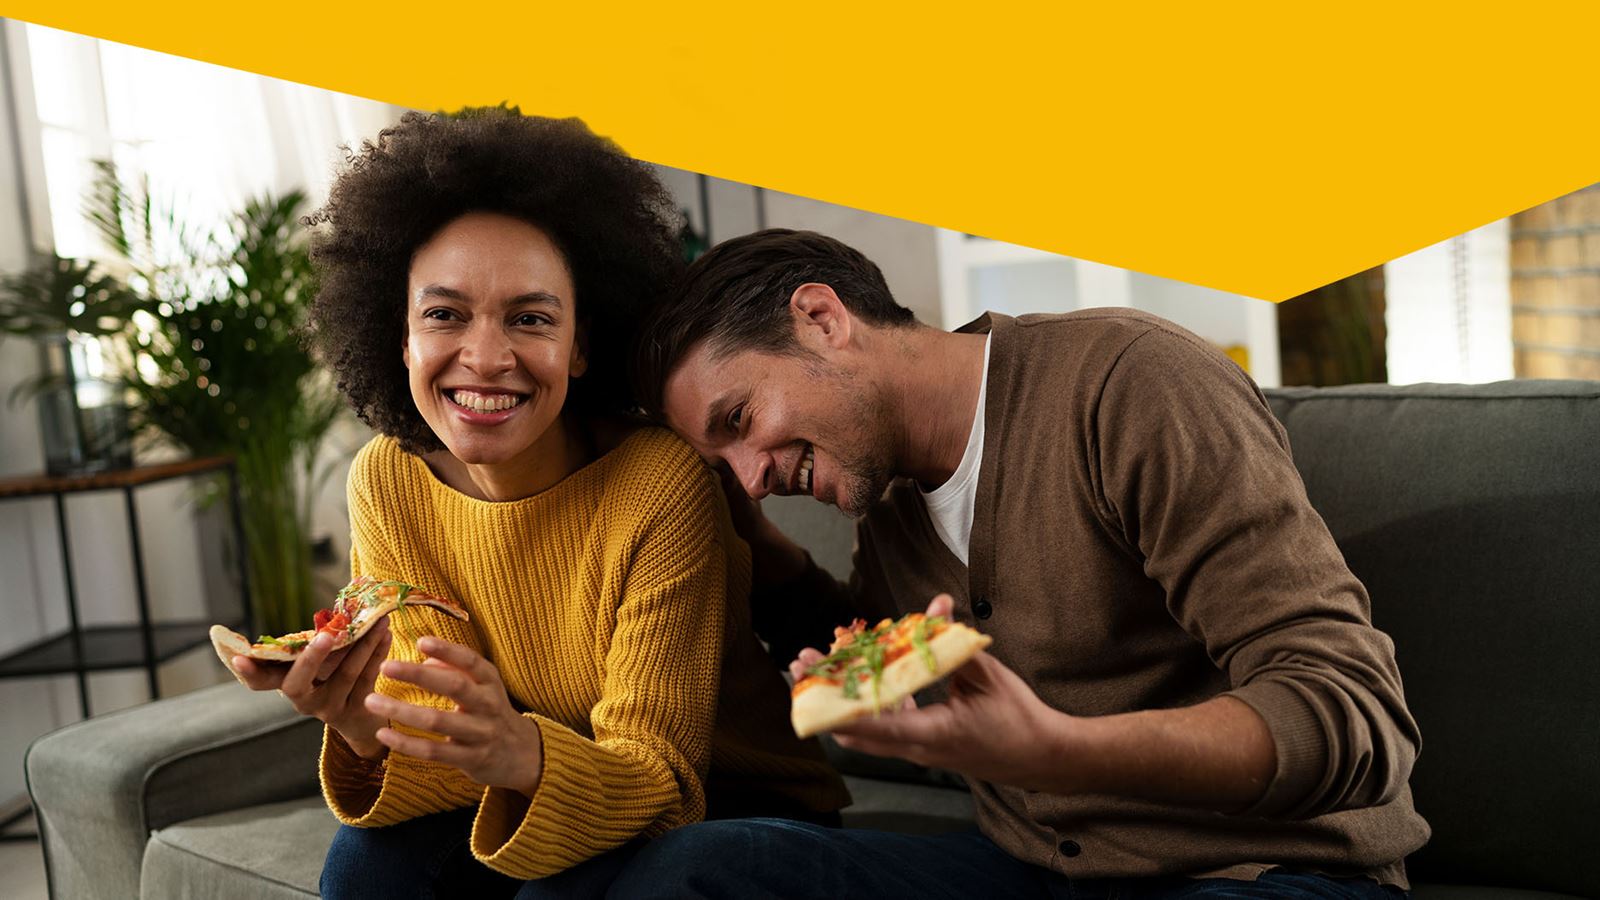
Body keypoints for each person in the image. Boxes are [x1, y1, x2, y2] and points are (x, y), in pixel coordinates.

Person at [626, 228, 1430, 898]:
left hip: (1267, 870)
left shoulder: (1128, 385)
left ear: (821, 318)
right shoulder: (889, 493)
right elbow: (883, 653)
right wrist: (756, 551)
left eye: (739, 419)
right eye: (721, 463)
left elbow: (1353, 712)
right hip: (1036, 871)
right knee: (697, 872)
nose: (753, 480)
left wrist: (1056, 750)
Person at [228, 113, 848, 897]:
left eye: (530, 318)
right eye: (444, 314)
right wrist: (361, 728)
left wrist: (518, 752)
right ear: (402, 337)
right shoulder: (386, 482)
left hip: (724, 806)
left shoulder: (658, 484)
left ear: (582, 345)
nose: (485, 358)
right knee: (365, 866)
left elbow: (661, 781)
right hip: (528, 775)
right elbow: (457, 748)